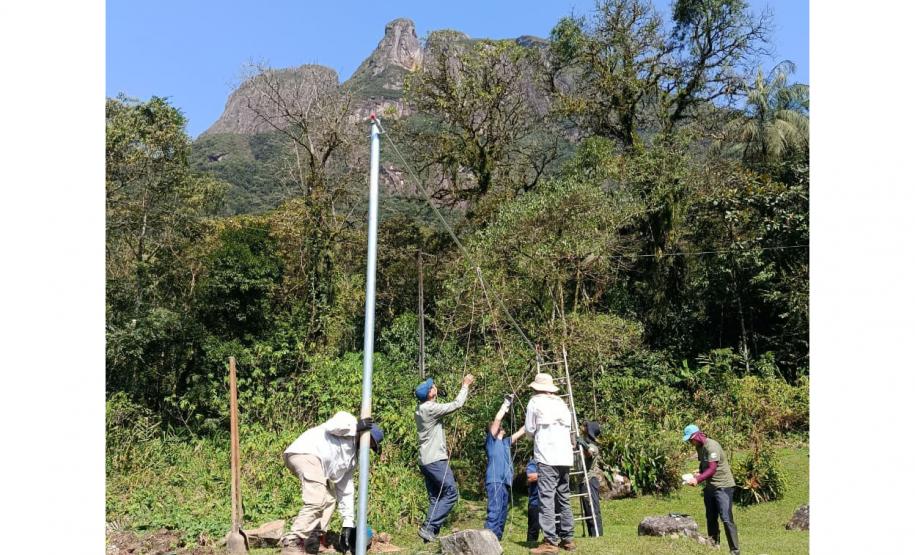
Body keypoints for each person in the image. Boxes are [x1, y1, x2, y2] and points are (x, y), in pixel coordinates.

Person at [280, 411, 383, 555]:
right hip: (306, 453)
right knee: (316, 500)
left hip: (318, 465)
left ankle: (312, 539)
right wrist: (355, 427)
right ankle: (292, 541)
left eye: (372, 446)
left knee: (329, 498)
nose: (368, 447)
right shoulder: (348, 420)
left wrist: (347, 523)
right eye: (370, 442)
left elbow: (346, 488)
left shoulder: (352, 459)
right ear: (366, 435)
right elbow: (331, 426)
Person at [515, 373, 575, 554]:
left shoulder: (534, 402)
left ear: (536, 388)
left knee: (546, 497)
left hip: (547, 456)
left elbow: (530, 429)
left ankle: (550, 540)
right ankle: (568, 538)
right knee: (563, 495)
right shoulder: (562, 403)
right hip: (565, 456)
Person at [414, 374, 475, 542]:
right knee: (451, 493)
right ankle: (428, 527)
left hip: (425, 461)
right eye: (432, 386)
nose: (434, 386)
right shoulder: (430, 409)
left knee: (436, 497)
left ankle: (430, 533)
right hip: (435, 460)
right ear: (430, 393)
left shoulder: (421, 409)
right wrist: (465, 385)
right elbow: (457, 404)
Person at [683, 424, 740, 555]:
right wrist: (700, 471)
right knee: (711, 517)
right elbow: (706, 464)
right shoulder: (699, 447)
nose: (690, 443)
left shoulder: (712, 446)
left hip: (723, 487)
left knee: (726, 518)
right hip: (710, 487)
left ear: (697, 435)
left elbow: (713, 468)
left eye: (690, 439)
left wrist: (697, 480)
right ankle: (714, 547)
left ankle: (735, 551)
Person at [484, 393, 526, 540]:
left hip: (505, 483)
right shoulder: (491, 443)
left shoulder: (506, 442)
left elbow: (521, 431)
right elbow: (497, 419)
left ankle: (497, 540)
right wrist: (506, 404)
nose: (500, 427)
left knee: (502, 512)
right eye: (496, 428)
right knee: (494, 510)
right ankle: (488, 539)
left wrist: (534, 417)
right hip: (494, 480)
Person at [576, 421, 603, 537]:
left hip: (590, 480)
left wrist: (583, 445)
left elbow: (589, 454)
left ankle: (597, 535)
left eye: (586, 426)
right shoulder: (584, 443)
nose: (583, 427)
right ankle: (592, 535)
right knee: (587, 509)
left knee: (593, 508)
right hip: (583, 481)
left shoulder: (593, 446)